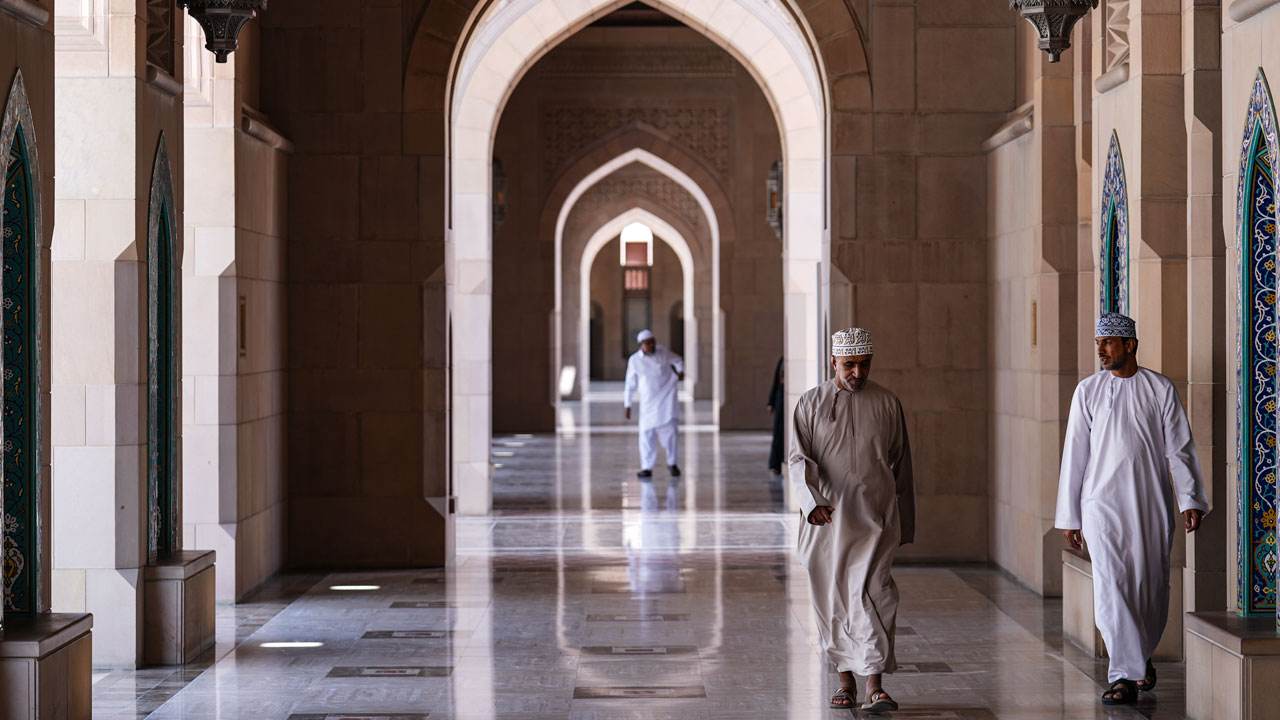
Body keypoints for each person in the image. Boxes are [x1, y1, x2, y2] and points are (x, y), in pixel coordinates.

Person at [1055, 312, 1209, 706]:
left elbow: (1179, 447)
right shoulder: (1087, 392)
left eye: (1108, 343)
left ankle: (1139, 657)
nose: (1101, 350)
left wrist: (1188, 498)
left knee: (1150, 585)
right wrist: (1070, 517)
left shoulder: (1159, 388)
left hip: (1149, 503)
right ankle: (1122, 675)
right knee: (1111, 587)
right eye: (1098, 343)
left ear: (1130, 345)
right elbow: (1075, 457)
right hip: (1100, 506)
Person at [790, 328, 914, 712]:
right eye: (849, 365)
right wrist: (812, 502)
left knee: (876, 594)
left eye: (864, 365)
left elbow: (901, 464)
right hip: (826, 524)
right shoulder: (810, 404)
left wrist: (904, 521)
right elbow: (798, 460)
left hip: (875, 520)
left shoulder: (887, 403)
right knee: (833, 601)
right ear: (833, 362)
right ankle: (845, 682)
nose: (857, 373)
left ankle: (875, 685)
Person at [624, 329, 684, 478]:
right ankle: (647, 467)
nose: (651, 346)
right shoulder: (634, 360)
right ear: (640, 345)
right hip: (647, 402)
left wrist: (680, 371)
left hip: (665, 398)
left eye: (653, 342)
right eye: (648, 343)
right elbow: (630, 383)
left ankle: (672, 463)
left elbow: (678, 360)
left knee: (670, 433)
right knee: (645, 435)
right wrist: (628, 404)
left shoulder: (663, 353)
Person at [767, 356, 785, 474]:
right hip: (780, 397)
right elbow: (776, 381)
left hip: (785, 397)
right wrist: (771, 401)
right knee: (778, 431)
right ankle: (775, 463)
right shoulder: (783, 360)